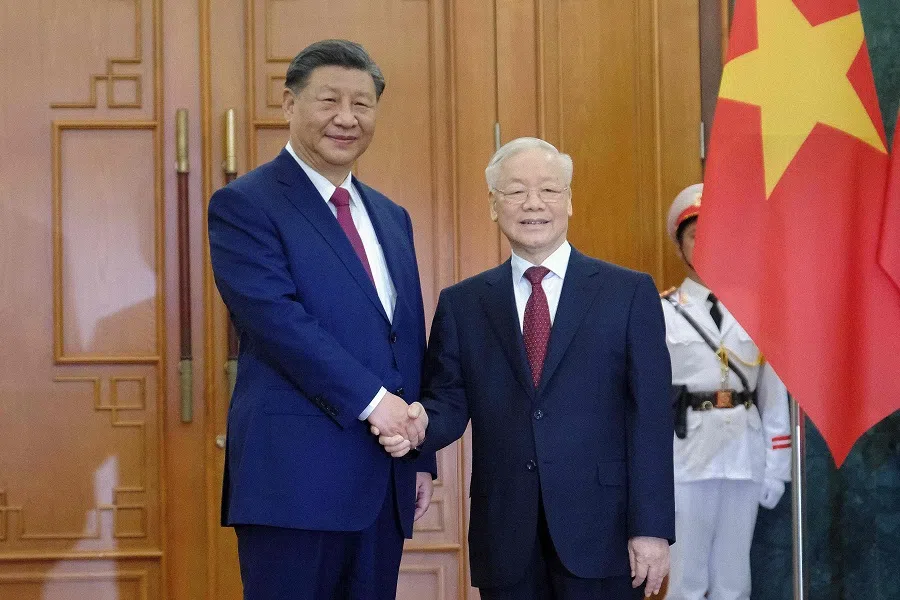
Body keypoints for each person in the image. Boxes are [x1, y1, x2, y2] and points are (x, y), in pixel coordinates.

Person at [377, 137, 675, 599]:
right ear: (493, 205)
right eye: (515, 191)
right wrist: (417, 427)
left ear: (569, 201)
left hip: (604, 531)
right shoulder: (463, 304)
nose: (533, 203)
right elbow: (448, 402)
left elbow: (651, 417)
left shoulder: (629, 293)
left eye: (549, 190)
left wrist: (651, 528)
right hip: (506, 534)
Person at [208, 39, 436, 600]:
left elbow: (405, 339)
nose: (346, 118)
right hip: (294, 482)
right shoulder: (246, 204)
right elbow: (277, 324)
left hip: (383, 477)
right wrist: (376, 403)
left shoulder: (391, 216)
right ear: (289, 104)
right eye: (329, 100)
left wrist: (419, 456)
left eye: (362, 104)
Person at [661, 184, 791, 600]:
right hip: (684, 457)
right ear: (681, 247)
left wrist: (777, 467)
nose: (706, 246)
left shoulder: (757, 311)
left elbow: (773, 397)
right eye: (695, 236)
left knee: (734, 580)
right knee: (686, 579)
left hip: (744, 454)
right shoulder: (661, 311)